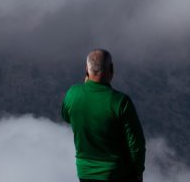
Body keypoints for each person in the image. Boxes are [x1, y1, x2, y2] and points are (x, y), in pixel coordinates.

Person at [62, 49, 146, 182]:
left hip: (86, 174)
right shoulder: (121, 102)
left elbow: (67, 117)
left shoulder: (72, 94)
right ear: (111, 69)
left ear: (86, 70)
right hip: (118, 173)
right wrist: (138, 171)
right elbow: (136, 144)